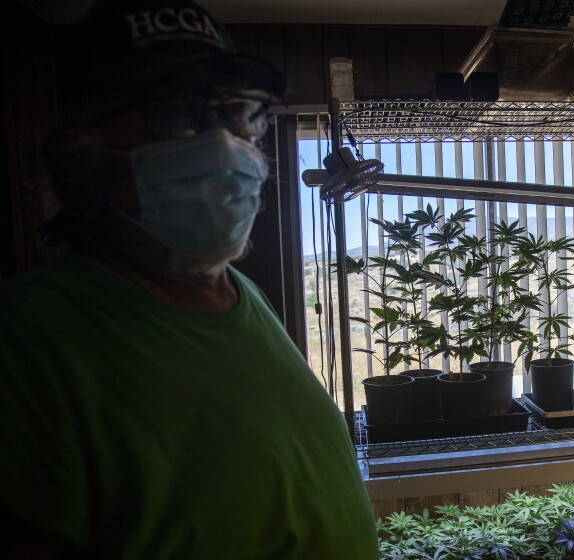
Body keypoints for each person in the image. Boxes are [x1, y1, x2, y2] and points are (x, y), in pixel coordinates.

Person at [0, 0, 379, 558]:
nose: (222, 139)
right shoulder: (28, 341)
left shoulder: (238, 295)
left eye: (238, 110)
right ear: (85, 151)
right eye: (177, 112)